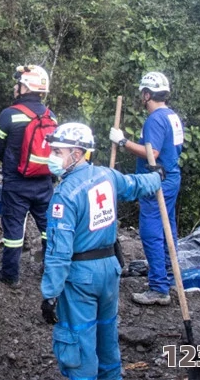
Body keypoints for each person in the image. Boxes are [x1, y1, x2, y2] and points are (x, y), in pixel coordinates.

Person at [40, 123, 162, 380]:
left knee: (79, 342)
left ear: (77, 153)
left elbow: (58, 253)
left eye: (57, 152)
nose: (52, 156)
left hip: (80, 276)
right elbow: (134, 185)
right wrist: (156, 177)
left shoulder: (64, 195)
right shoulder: (107, 175)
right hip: (109, 271)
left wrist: (50, 294)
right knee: (107, 337)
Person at [109, 71, 184, 305]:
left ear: (147, 94)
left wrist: (122, 142)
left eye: (143, 93)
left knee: (151, 232)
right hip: (171, 177)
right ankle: (170, 276)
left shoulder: (155, 119)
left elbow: (153, 153)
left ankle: (159, 288)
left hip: (156, 182)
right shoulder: (172, 116)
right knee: (167, 228)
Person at [0, 65, 56, 285]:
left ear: (25, 87)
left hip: (17, 183)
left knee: (13, 230)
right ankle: (51, 269)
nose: (15, 87)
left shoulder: (9, 115)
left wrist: (11, 162)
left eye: (18, 83)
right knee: (47, 228)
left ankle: (11, 275)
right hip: (45, 182)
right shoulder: (51, 116)